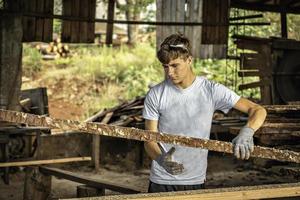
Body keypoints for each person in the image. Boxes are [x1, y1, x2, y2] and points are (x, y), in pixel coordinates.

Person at [142, 33, 267, 193]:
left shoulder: (211, 90)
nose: (169, 73)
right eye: (165, 66)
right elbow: (149, 140)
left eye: (175, 65)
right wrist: (161, 159)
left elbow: (258, 110)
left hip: (195, 179)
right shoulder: (156, 94)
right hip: (161, 180)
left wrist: (248, 131)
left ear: (189, 60)